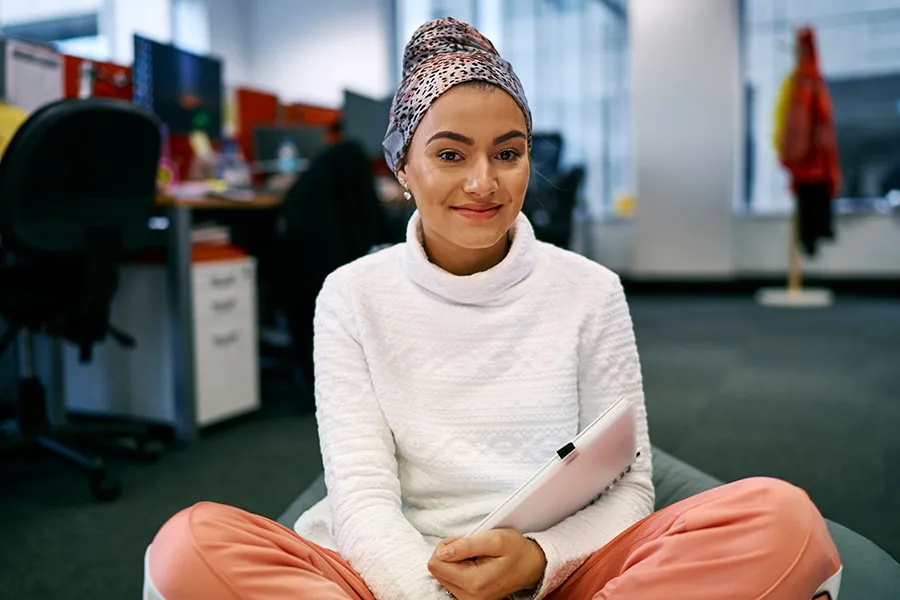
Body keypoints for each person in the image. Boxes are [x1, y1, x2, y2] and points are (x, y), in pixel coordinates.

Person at [144, 17, 842, 600]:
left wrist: (539, 557)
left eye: (508, 153)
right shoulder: (352, 296)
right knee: (186, 549)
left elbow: (630, 486)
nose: (484, 182)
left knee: (785, 521)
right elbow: (359, 498)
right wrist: (423, 592)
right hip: (395, 574)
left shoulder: (591, 289)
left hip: (562, 570)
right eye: (450, 154)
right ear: (403, 167)